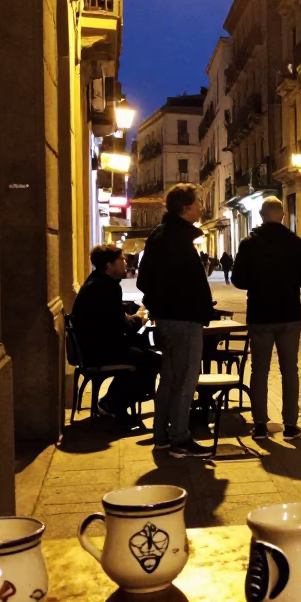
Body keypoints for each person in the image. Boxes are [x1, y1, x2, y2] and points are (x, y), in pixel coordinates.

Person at [137, 183, 217, 458]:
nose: (201, 208)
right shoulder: (177, 239)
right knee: (185, 379)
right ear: (185, 208)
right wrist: (185, 301)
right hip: (184, 318)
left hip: (169, 318)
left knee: (170, 378)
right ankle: (180, 438)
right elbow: (182, 282)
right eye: (197, 203)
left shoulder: (161, 235)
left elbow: (144, 279)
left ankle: (161, 436)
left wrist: (161, 303)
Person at [231, 197, 301, 440]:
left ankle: (259, 425)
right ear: (282, 215)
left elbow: (238, 280)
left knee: (259, 370)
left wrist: (257, 283)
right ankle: (290, 425)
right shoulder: (295, 243)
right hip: (289, 314)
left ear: (260, 216)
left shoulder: (248, 244)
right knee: (290, 370)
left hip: (260, 314)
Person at [70, 245, 159, 424]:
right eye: (121, 260)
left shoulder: (97, 283)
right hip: (100, 350)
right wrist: (141, 317)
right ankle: (111, 404)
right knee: (154, 361)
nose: (125, 263)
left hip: (95, 346)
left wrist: (131, 310)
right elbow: (122, 325)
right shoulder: (105, 288)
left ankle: (116, 401)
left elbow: (112, 313)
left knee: (142, 352)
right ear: (109, 265)